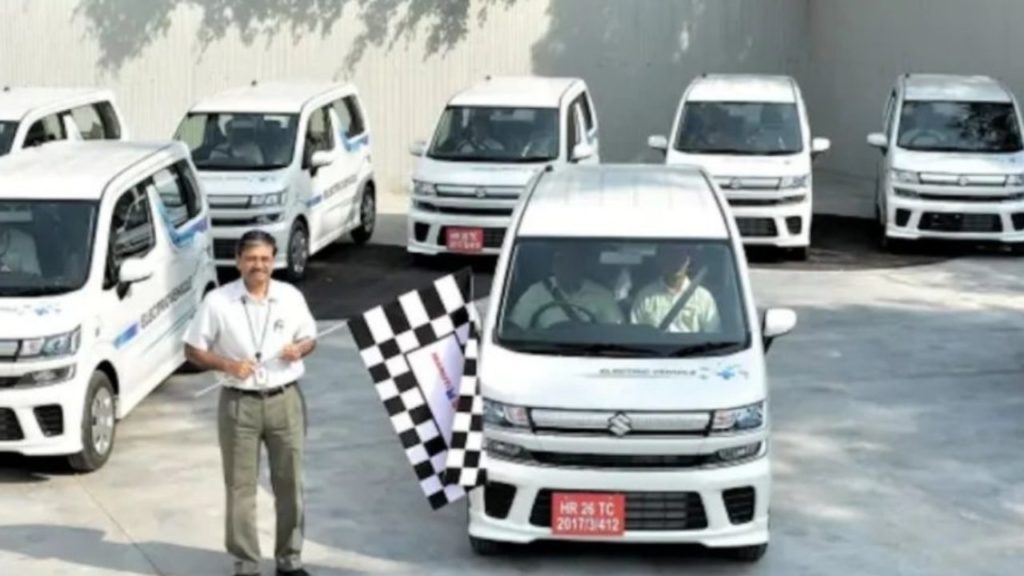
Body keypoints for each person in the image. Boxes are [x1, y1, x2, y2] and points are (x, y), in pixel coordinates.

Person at [183, 230, 317, 576]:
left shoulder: (290, 296)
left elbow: (309, 337)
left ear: (274, 260)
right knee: (240, 487)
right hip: (238, 404)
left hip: (285, 400)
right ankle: (246, 564)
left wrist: (299, 349)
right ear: (238, 261)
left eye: (265, 259)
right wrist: (228, 365)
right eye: (252, 259)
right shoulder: (218, 302)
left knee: (290, 483)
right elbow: (192, 349)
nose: (259, 265)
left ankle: (290, 560)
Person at [509, 246, 622, 329]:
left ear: (582, 266)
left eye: (574, 262)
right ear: (554, 265)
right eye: (561, 261)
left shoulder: (602, 295)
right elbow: (516, 327)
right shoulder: (536, 293)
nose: (567, 266)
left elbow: (615, 332)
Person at [631, 245, 720, 333]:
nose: (676, 262)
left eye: (680, 256)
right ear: (661, 260)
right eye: (670, 256)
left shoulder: (704, 298)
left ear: (688, 260)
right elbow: (634, 334)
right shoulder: (645, 297)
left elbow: (713, 335)